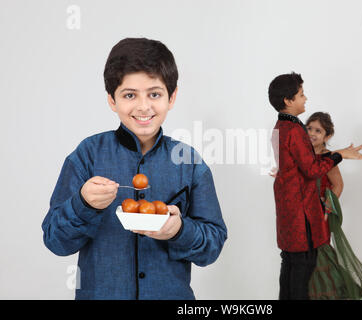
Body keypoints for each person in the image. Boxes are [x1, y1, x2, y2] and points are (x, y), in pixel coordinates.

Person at [41, 38, 227, 300]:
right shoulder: (87, 155)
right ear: (112, 100)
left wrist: (179, 231)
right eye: (130, 95)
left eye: (154, 94)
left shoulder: (189, 162)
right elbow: (55, 241)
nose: (143, 107)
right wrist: (83, 203)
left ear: (171, 97)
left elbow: (213, 245)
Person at [268, 72, 362, 300]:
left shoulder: (280, 127)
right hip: (300, 216)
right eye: (301, 95)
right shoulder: (294, 130)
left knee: (290, 266)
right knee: (302, 272)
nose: (305, 99)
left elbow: (295, 169)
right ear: (288, 100)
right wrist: (339, 154)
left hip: (289, 213)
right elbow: (311, 169)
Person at [306, 112, 362, 300]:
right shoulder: (300, 155)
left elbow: (338, 185)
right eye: (309, 128)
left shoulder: (329, 158)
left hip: (320, 215)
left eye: (318, 130)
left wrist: (327, 207)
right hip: (301, 214)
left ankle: (330, 295)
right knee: (304, 256)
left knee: (320, 255)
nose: (312, 133)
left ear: (327, 137)